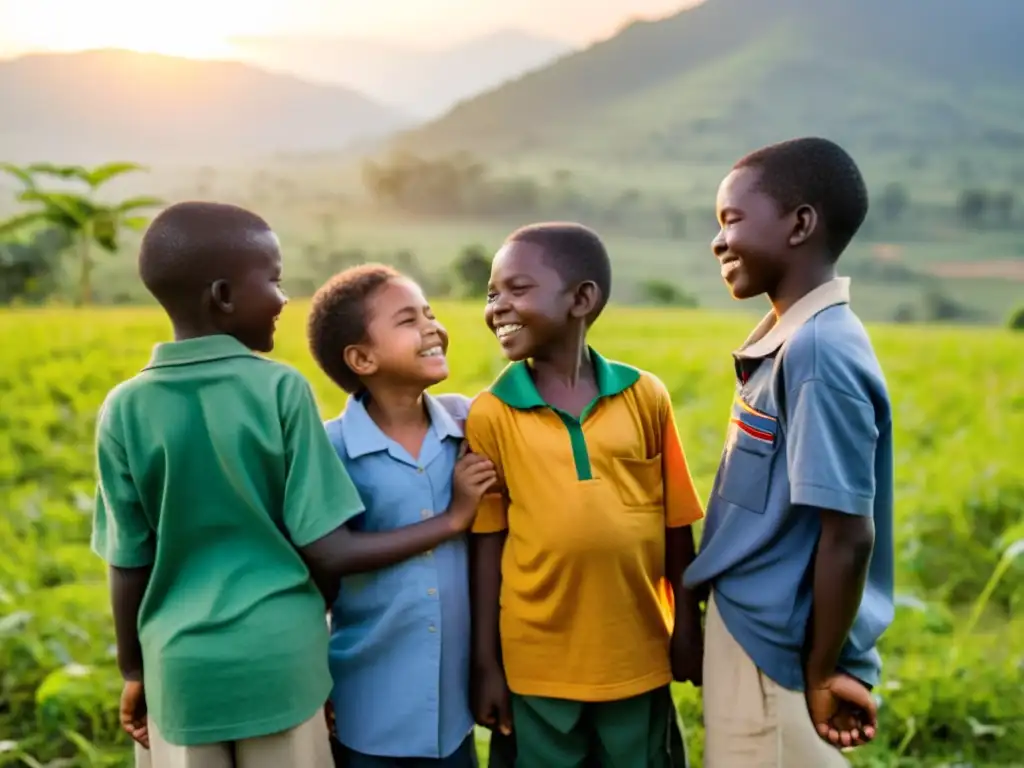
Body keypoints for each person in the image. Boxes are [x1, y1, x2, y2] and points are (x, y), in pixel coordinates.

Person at [91, 202, 481, 768]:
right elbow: (326, 549)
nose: (282, 299)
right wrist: (451, 521)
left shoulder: (123, 408)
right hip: (283, 665)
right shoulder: (280, 390)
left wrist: (133, 670)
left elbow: (128, 560)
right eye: (273, 281)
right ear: (224, 297)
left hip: (179, 671)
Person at [683, 137, 895, 766]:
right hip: (753, 627)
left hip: (775, 645)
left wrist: (823, 672)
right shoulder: (789, 337)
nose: (719, 241)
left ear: (801, 223)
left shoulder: (817, 352)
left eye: (732, 220)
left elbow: (848, 533)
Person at [466, 222, 704, 768]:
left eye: (516, 289)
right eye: (491, 293)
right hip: (536, 663)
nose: (497, 306)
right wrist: (486, 662)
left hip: (637, 653)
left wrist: (688, 624)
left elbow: (674, 523)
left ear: (582, 299)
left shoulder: (645, 396)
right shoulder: (491, 414)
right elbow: (486, 545)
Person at [306, 264, 495, 767]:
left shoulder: (467, 422)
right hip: (366, 702)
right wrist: (452, 519)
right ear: (362, 358)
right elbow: (325, 566)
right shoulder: (332, 449)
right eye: (409, 320)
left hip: (454, 710)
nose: (432, 327)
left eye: (430, 313)